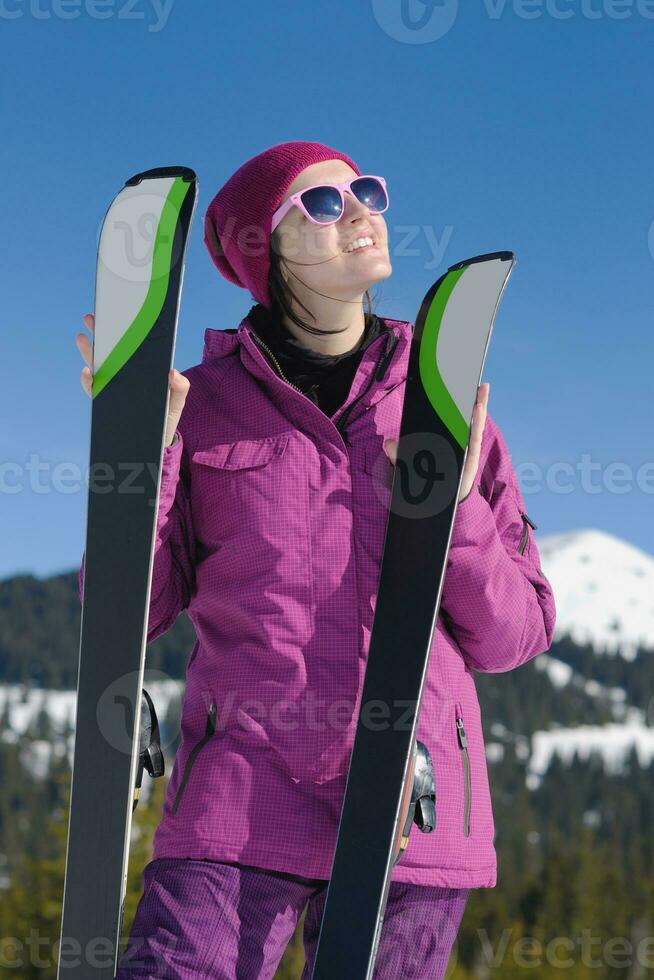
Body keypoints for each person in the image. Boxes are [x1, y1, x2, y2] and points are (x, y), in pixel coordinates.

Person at [76, 141, 556, 979]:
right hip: (239, 794)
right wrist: (142, 452)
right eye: (324, 205)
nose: (362, 210)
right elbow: (131, 614)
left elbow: (516, 634)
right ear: (266, 253)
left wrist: (457, 508)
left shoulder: (440, 399)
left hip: (411, 799)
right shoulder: (197, 403)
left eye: (366, 189)